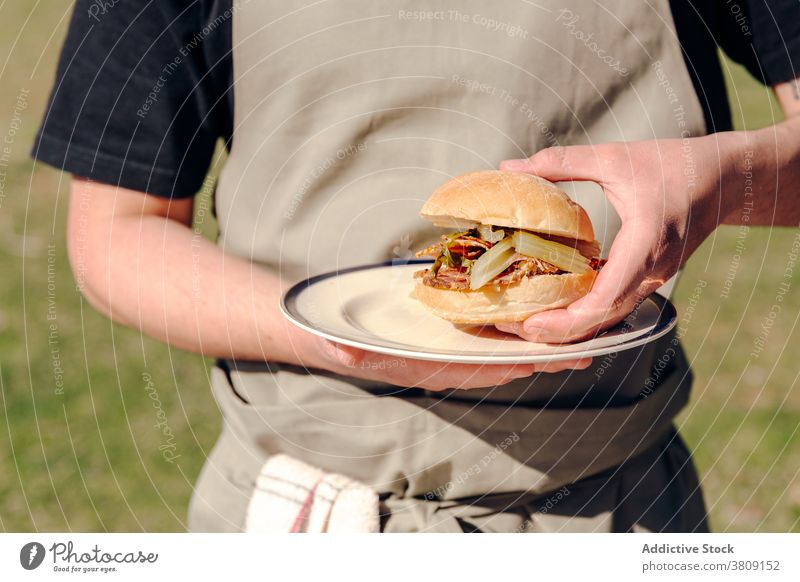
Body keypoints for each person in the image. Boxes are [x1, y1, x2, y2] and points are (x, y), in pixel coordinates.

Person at [33, 0, 800, 532]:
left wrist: (728, 177)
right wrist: (327, 335)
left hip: (611, 517)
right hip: (302, 520)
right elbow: (116, 233)